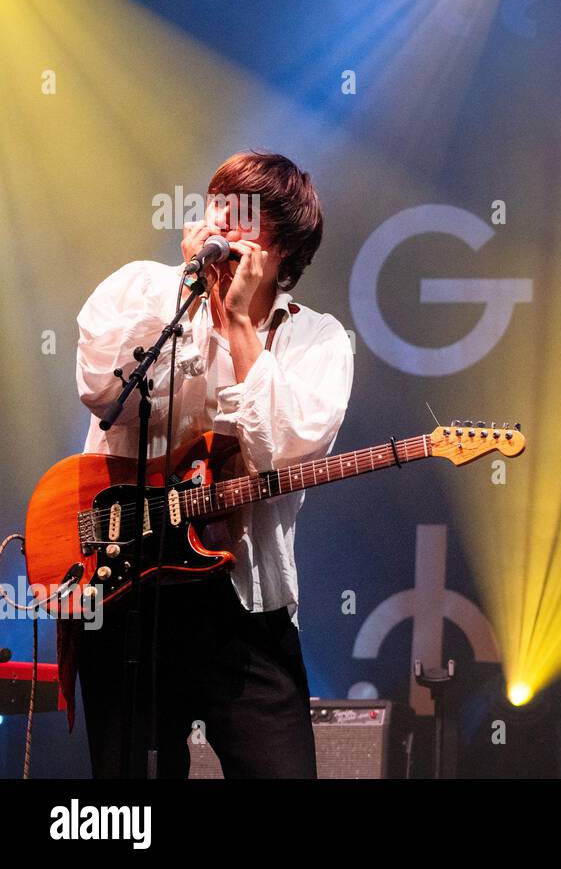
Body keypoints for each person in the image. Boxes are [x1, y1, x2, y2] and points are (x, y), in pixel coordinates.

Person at [63, 151, 354, 777]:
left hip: (245, 605)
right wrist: (192, 300)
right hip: (128, 591)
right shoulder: (140, 289)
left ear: (286, 256)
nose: (224, 232)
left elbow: (280, 451)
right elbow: (104, 391)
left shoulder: (319, 340)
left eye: (246, 228)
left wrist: (241, 327)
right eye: (219, 208)